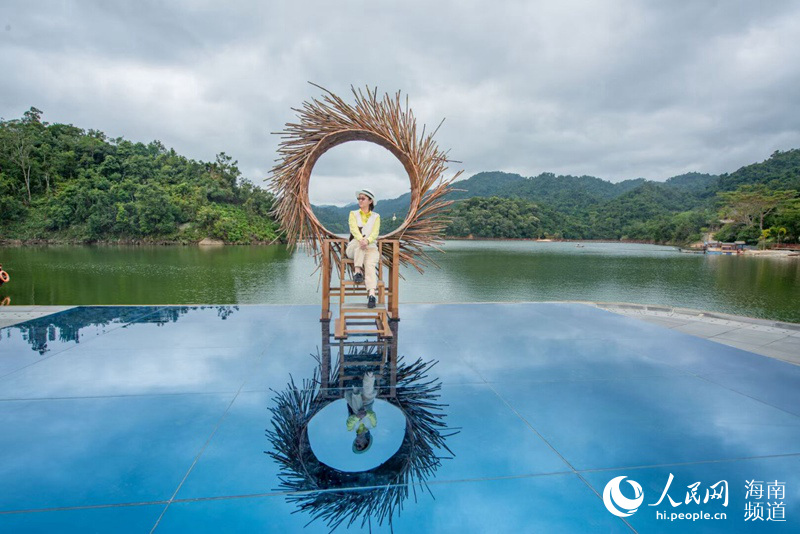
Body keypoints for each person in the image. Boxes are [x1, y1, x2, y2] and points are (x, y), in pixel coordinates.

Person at [346, 189, 381, 308]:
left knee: (370, 265)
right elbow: (353, 229)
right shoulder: (353, 214)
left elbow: (375, 233)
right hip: (354, 247)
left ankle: (372, 295)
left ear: (370, 201)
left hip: (370, 248)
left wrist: (368, 240)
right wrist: (361, 239)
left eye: (363, 198)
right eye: (359, 198)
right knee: (359, 245)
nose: (360, 200)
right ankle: (357, 271)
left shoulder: (376, 217)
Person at [345, 372, 378, 453]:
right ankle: (369, 375)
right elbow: (372, 415)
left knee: (357, 411)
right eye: (359, 446)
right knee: (368, 395)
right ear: (366, 442)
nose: (357, 444)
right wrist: (366, 414)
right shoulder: (372, 425)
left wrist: (357, 416)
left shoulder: (351, 428)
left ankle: (356, 390)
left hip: (351, 399)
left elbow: (350, 421)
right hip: (367, 402)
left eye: (355, 445)